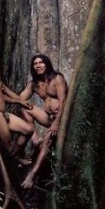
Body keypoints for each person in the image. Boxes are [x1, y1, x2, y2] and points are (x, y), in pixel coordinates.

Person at [17, 53, 68, 189]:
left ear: (47, 64)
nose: (38, 65)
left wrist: (57, 123)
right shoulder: (34, 84)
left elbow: (64, 101)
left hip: (61, 119)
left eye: (41, 62)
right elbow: (20, 99)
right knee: (25, 107)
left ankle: (32, 175)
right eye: (35, 64)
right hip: (47, 118)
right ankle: (34, 138)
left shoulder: (57, 78)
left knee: (47, 140)